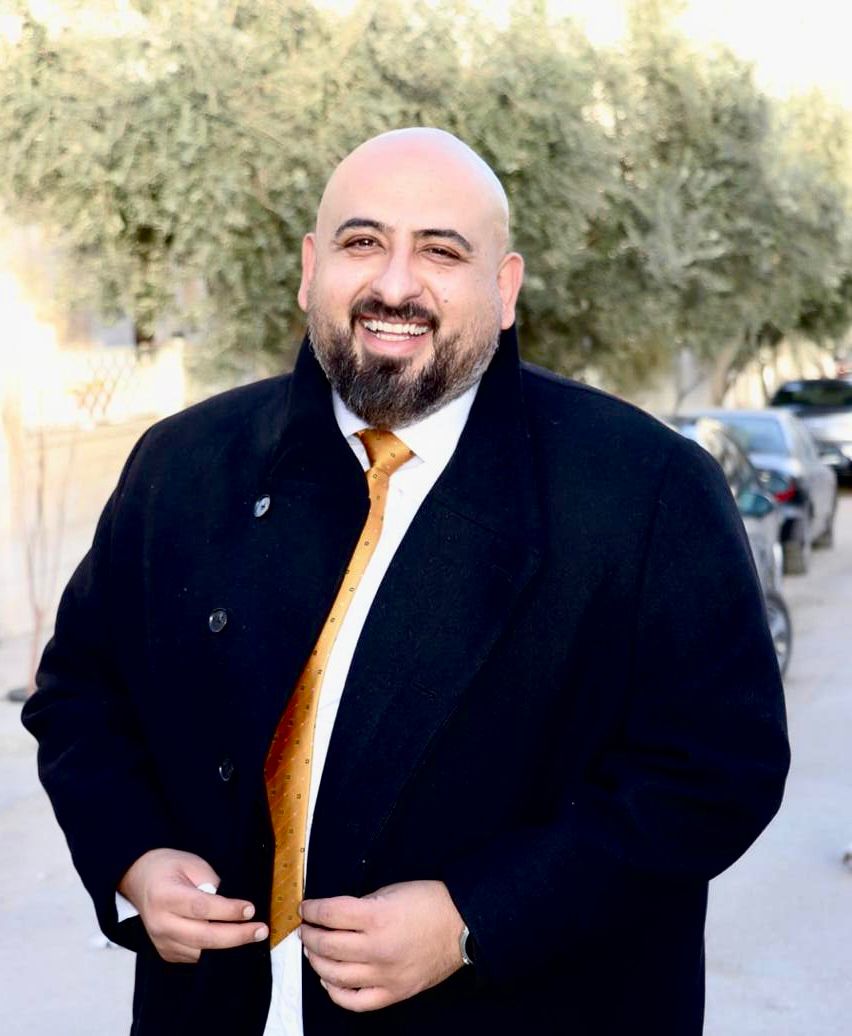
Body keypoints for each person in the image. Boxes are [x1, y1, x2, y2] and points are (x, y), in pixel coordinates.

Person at [23, 128, 790, 1036]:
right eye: (363, 242)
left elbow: (717, 773)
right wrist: (134, 859)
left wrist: (475, 917)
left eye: (440, 251)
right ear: (311, 269)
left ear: (504, 290)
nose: (394, 284)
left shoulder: (646, 488)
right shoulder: (181, 464)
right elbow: (81, 696)